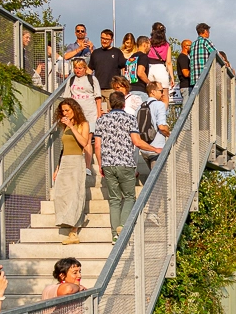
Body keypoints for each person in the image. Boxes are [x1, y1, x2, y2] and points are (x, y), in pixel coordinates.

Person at [93, 92, 161, 242]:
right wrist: (155, 149)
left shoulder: (101, 120)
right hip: (126, 163)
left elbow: (97, 145)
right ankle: (123, 228)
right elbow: (137, 142)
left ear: (110, 104)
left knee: (114, 200)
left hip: (108, 164)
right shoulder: (130, 119)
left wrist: (100, 164)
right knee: (129, 197)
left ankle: (114, 235)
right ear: (124, 104)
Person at [52, 99, 91, 245]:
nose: (65, 113)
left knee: (76, 193)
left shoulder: (83, 124)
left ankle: (74, 231)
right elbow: (63, 149)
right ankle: (65, 220)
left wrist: (72, 127)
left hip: (76, 161)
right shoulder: (64, 127)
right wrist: (57, 167)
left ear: (74, 109)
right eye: (63, 111)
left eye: (67, 110)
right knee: (61, 193)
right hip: (65, 162)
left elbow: (84, 142)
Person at [63, 59, 102, 173]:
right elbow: (67, 98)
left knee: (87, 140)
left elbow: (97, 97)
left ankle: (87, 167)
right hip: (75, 115)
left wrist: (99, 113)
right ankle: (77, 165)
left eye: (80, 68)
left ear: (85, 68)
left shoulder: (92, 79)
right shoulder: (71, 80)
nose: (77, 70)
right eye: (75, 68)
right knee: (75, 139)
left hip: (90, 113)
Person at [138, 81, 170, 174]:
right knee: (159, 182)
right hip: (157, 149)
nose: (162, 93)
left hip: (145, 149)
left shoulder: (140, 106)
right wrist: (169, 134)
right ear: (153, 92)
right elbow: (161, 127)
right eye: (160, 90)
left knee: (154, 179)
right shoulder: (159, 105)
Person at [89, 29, 126, 108]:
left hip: (112, 89)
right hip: (98, 90)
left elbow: (124, 68)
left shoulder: (117, 52)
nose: (104, 41)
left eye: (107, 39)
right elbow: (89, 70)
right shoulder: (95, 53)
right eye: (102, 38)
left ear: (111, 40)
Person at [147, 22, 174, 106]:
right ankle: (162, 115)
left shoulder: (148, 42)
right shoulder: (166, 45)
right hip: (161, 68)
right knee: (164, 96)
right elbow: (168, 62)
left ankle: (151, 115)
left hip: (149, 68)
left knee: (151, 95)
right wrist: (172, 77)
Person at [188, 23, 217, 88]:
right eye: (209, 31)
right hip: (204, 77)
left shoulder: (193, 44)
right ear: (205, 31)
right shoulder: (205, 41)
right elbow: (215, 54)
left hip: (194, 78)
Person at [125, 35, 152, 100]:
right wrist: (149, 83)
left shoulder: (131, 58)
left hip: (129, 92)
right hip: (140, 92)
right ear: (145, 44)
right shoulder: (143, 57)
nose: (150, 48)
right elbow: (140, 72)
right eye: (149, 45)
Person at [176, 39, 192, 104]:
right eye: (191, 46)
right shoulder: (183, 58)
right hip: (186, 87)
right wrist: (195, 73)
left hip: (187, 87)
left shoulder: (185, 57)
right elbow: (185, 73)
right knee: (187, 109)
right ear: (185, 46)